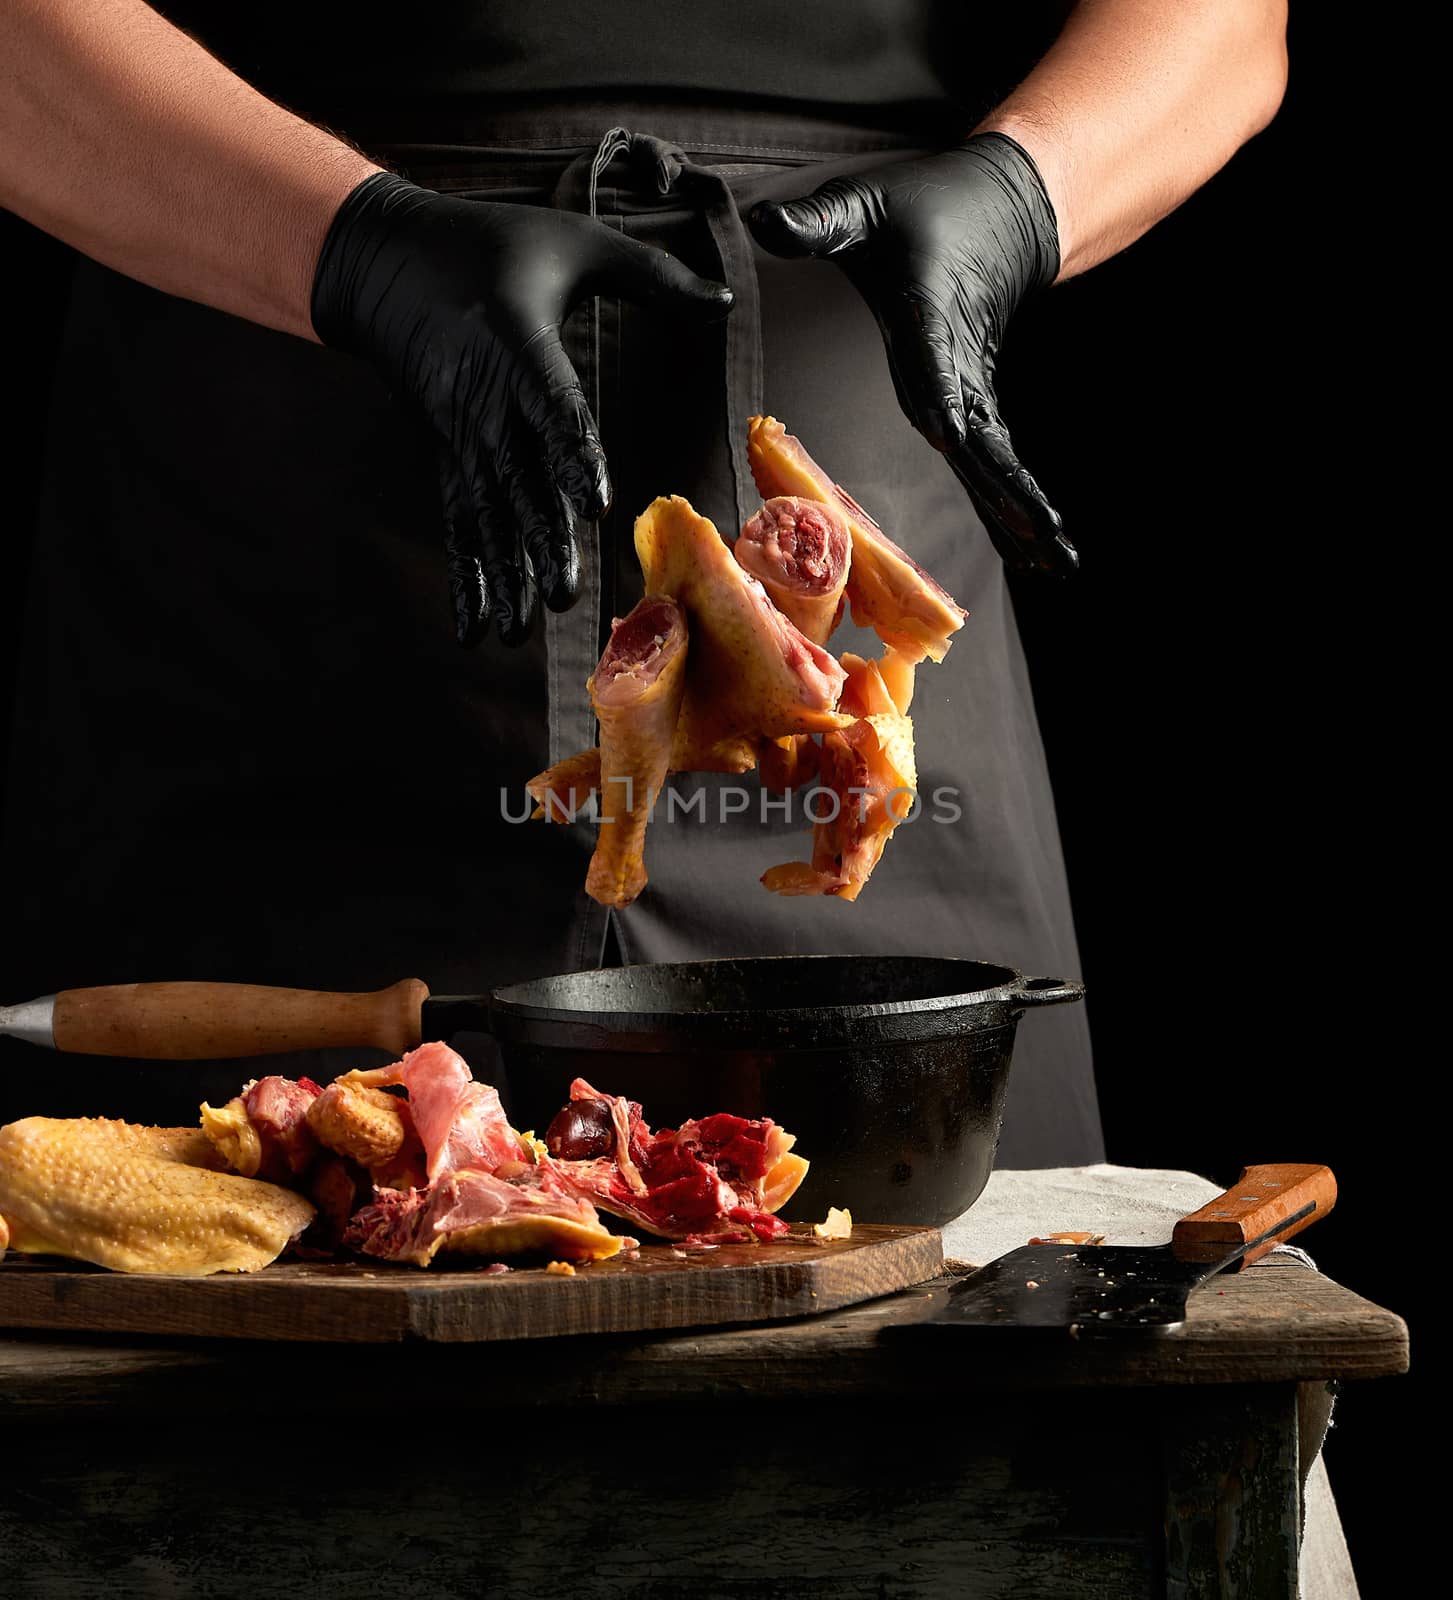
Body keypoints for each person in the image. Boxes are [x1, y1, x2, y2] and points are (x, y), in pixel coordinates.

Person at [0, 2, 1288, 1154]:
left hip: (847, 444)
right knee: (211, 1292)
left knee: (954, 1294)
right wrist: (357, 251)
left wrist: (1022, 194)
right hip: (282, 450)